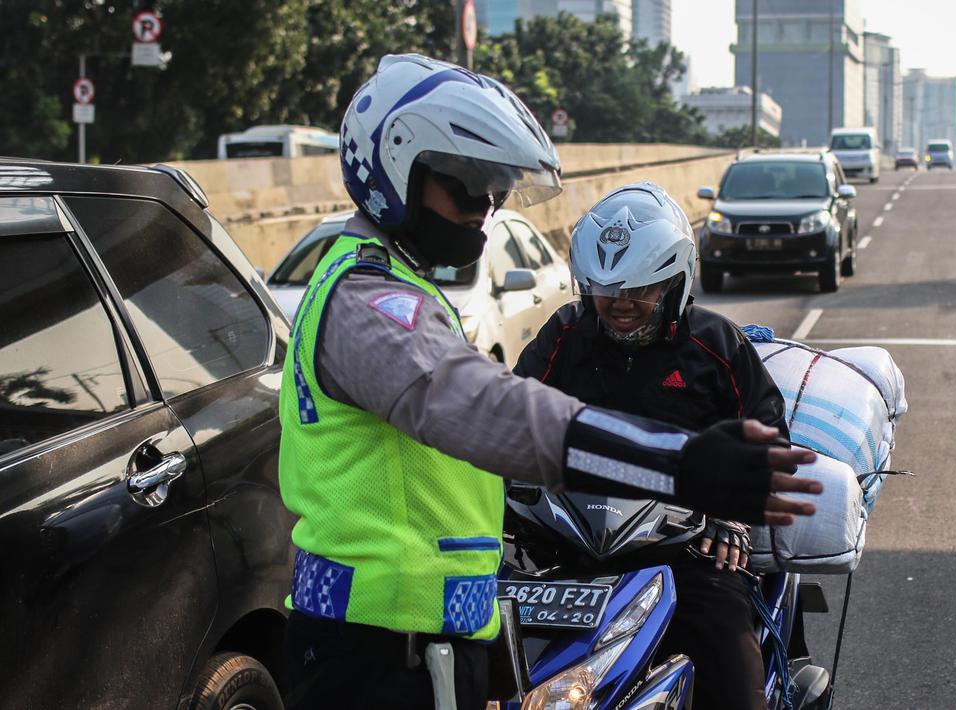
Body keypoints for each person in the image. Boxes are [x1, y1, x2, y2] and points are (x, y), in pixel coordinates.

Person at [276, 54, 820, 710]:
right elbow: (495, 412)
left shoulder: (397, 288)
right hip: (378, 652)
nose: (487, 207)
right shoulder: (370, 304)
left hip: (422, 635)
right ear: (398, 169)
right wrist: (679, 463)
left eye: (496, 189)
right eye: (467, 187)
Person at [513, 182, 785, 710]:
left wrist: (731, 517)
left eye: (642, 289)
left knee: (732, 675)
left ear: (676, 281)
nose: (621, 304)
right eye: (605, 289)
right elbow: (509, 417)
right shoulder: (564, 336)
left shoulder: (718, 345)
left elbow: (768, 440)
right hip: (565, 549)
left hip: (686, 549)